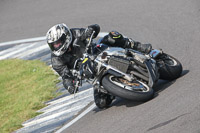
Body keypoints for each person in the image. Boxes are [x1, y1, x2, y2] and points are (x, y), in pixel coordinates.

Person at [46, 23, 152, 108]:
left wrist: (91, 30)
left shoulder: (75, 33)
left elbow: (93, 29)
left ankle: (138, 46)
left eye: (58, 43)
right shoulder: (56, 60)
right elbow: (65, 75)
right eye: (53, 45)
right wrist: (69, 85)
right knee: (101, 103)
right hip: (93, 73)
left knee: (112, 36)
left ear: (66, 37)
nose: (56, 46)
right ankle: (119, 86)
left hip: (98, 52)